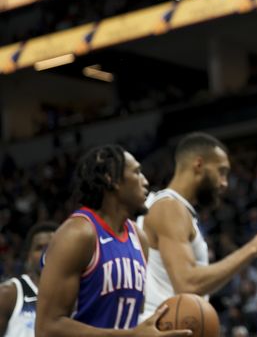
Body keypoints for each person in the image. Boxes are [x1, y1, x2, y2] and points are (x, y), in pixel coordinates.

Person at [35, 144, 191, 336]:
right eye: (137, 173)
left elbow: (130, 321)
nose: (146, 181)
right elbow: (47, 328)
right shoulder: (78, 234)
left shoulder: (139, 238)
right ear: (112, 178)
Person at [138, 132, 257, 319]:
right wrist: (253, 247)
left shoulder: (172, 207)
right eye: (222, 172)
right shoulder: (169, 207)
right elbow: (188, 283)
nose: (224, 183)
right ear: (199, 165)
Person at [0, 222, 57, 337]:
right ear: (28, 256)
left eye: (52, 247)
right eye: (40, 248)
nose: (46, 254)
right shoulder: (9, 295)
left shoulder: (78, 298)